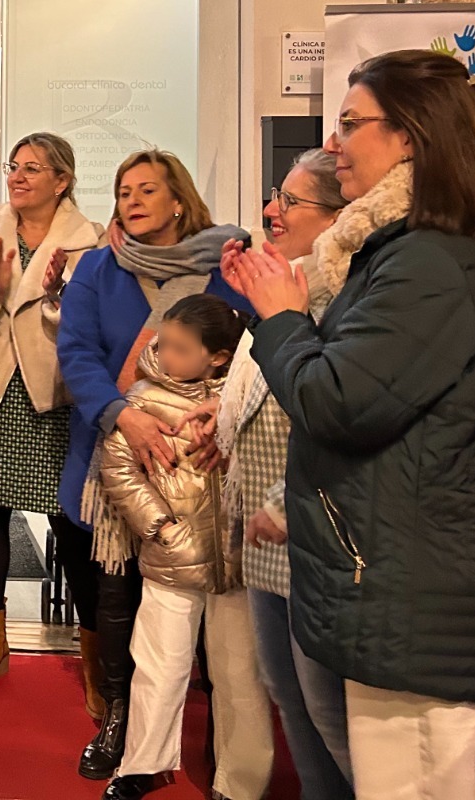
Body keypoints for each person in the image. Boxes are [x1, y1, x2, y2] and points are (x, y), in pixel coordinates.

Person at [231, 49, 475, 800]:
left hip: (415, 589)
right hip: (401, 574)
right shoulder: (414, 253)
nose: (332, 144)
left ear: (409, 136)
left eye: (349, 123)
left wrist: (282, 318)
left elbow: (336, 402)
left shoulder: (433, 261)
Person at [57, 149, 249, 780]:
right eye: (123, 192)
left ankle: (221, 734)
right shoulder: (97, 267)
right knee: (116, 595)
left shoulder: (227, 264)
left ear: (178, 201)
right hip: (116, 452)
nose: (132, 202)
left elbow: (250, 349)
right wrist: (123, 416)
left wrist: (222, 414)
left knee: (214, 603)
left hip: (205, 458)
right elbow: (77, 353)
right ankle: (120, 717)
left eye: (146, 190)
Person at [187, 151, 354, 799]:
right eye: (275, 196)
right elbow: (267, 380)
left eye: (290, 201)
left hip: (311, 526)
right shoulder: (291, 281)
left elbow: (329, 401)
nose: (270, 211)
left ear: (337, 217)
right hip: (266, 527)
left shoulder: (339, 292)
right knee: (291, 697)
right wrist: (225, 414)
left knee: (330, 712)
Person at [0, 133, 105, 700]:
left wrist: (56, 299)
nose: (18, 176)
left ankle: (94, 654)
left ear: (62, 180)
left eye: (33, 168)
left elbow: (100, 320)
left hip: (53, 395)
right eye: (14, 166)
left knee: (72, 524)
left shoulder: (89, 240)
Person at [97, 295, 273, 800]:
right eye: (164, 344)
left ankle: (240, 782)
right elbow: (119, 468)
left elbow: (272, 458)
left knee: (241, 675)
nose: (165, 354)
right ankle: (140, 764)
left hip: (239, 560)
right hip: (171, 557)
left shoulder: (252, 395)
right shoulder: (144, 399)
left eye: (179, 348)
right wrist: (160, 527)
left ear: (218, 357)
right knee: (158, 665)